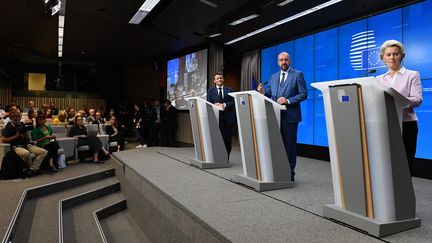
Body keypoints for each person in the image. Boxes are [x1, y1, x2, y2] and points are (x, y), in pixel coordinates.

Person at [257, 52, 308, 181]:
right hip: (275, 116)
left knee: (290, 146)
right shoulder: (273, 77)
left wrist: (288, 100)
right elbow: (271, 93)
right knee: (276, 145)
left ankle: (289, 174)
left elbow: (303, 94)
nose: (283, 62)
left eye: (286, 60)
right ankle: (278, 171)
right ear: (278, 62)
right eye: (281, 60)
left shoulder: (297, 74)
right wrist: (263, 92)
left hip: (290, 117)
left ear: (289, 61)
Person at [377, 40, 423, 175]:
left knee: (405, 163)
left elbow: (417, 100)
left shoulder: (412, 75)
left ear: (402, 56)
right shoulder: (378, 79)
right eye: (388, 54)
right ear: (383, 58)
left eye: (395, 54)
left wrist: (395, 99)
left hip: (407, 125)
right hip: (386, 125)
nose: (392, 57)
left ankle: (404, 194)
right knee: (387, 163)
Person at [1, 109, 47, 176]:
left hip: (26, 145)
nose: (15, 118)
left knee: (44, 152)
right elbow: (3, 140)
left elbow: (28, 140)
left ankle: (32, 169)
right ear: (10, 118)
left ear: (20, 117)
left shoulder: (21, 124)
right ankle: (33, 169)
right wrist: (16, 136)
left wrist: (26, 134)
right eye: (13, 116)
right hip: (16, 147)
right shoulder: (9, 126)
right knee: (26, 153)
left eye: (17, 116)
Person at [207, 72, 236, 159]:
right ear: (214, 81)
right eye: (217, 78)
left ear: (223, 79)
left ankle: (226, 157)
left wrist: (225, 105)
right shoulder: (210, 91)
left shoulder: (229, 90)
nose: (219, 79)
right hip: (216, 118)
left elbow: (234, 101)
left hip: (228, 118)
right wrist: (214, 105)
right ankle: (218, 157)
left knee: (227, 139)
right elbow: (209, 103)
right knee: (218, 138)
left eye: (221, 78)